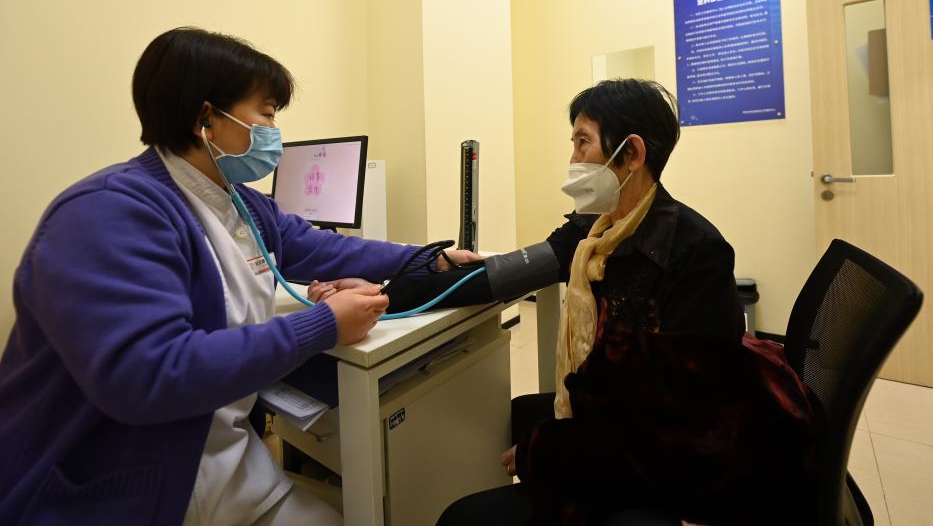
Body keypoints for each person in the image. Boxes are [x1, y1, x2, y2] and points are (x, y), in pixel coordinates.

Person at [0, 27, 477, 526]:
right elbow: (149, 374)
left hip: (231, 474)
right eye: (267, 114)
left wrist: (431, 259)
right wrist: (323, 325)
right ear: (206, 118)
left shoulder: (240, 204)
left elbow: (324, 248)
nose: (275, 131)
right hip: (117, 496)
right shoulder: (107, 213)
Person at [438, 79, 816, 525]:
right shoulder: (595, 230)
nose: (573, 159)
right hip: (624, 412)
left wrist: (542, 454)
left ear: (632, 153)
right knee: (518, 413)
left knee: (461, 517)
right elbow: (521, 266)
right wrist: (429, 276)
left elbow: (680, 428)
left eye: (582, 142)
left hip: (681, 458)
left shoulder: (695, 253)